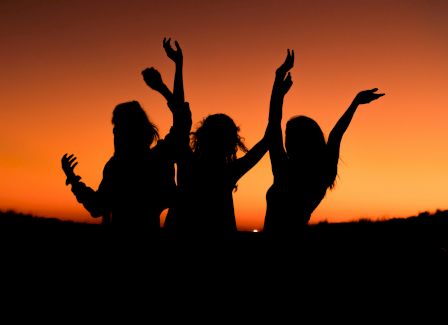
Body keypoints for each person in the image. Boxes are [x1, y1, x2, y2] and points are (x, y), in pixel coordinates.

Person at [147, 42, 293, 243]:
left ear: (201, 137)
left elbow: (179, 114)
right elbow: (270, 135)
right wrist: (278, 88)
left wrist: (177, 67)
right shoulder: (228, 172)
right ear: (231, 144)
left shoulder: (187, 161)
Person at [263, 49, 385, 241]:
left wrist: (278, 82)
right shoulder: (322, 171)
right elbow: (336, 134)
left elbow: (273, 122)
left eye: (289, 135)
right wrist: (355, 103)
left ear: (298, 141)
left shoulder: (283, 168)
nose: (285, 139)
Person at [61, 79, 182, 237]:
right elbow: (181, 121)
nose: (115, 132)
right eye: (115, 127)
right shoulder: (154, 158)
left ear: (130, 131)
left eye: (118, 127)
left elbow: (97, 206)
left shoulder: (119, 166)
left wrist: (73, 180)